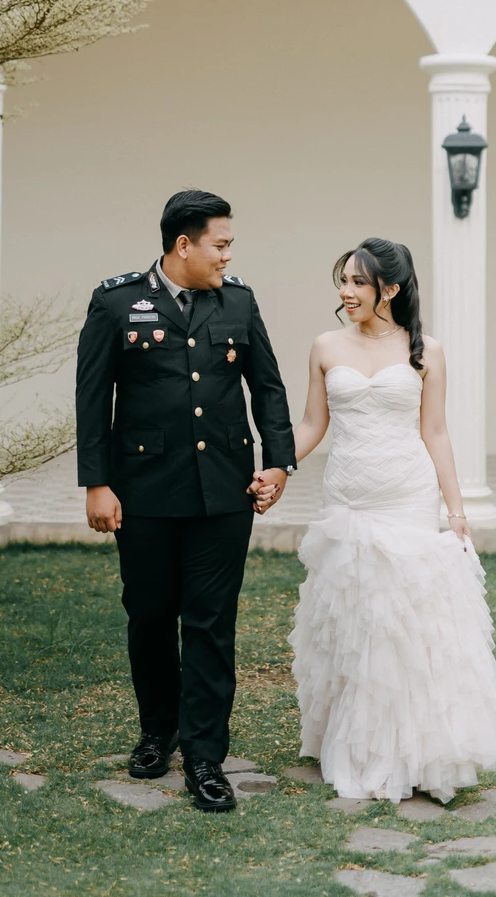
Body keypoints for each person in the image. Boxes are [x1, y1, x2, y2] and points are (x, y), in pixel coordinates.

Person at [75, 189, 296, 812]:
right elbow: (92, 397)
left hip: (223, 491)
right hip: (143, 491)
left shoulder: (239, 301)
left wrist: (278, 462)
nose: (227, 256)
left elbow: (268, 387)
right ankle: (158, 730)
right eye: (219, 245)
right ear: (183, 245)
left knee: (210, 622)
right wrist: (96, 482)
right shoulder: (116, 301)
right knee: (149, 616)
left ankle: (204, 755)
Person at [268, 237, 496, 802]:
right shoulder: (326, 345)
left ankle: (416, 750)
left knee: (404, 623)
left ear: (391, 288)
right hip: (347, 499)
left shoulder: (427, 351)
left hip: (407, 496)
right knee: (355, 620)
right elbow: (312, 423)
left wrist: (455, 510)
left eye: (358, 282)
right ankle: (358, 743)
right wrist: (276, 469)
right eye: (344, 281)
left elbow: (436, 431)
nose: (346, 291)